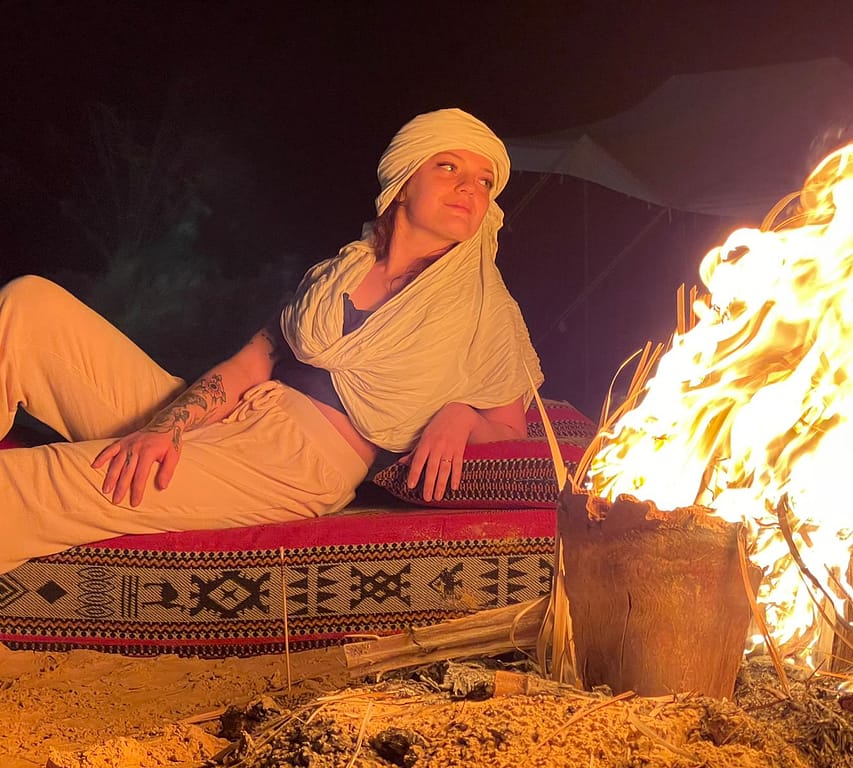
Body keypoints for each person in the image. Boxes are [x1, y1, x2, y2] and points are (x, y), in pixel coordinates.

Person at [0, 108, 543, 574]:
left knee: (33, 483)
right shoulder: (336, 274)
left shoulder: (484, 307)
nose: (470, 187)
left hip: (296, 461)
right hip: (236, 417)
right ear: (402, 183)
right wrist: (164, 429)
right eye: (449, 167)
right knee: (29, 304)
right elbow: (245, 368)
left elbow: (511, 430)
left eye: (485, 180)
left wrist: (461, 416)